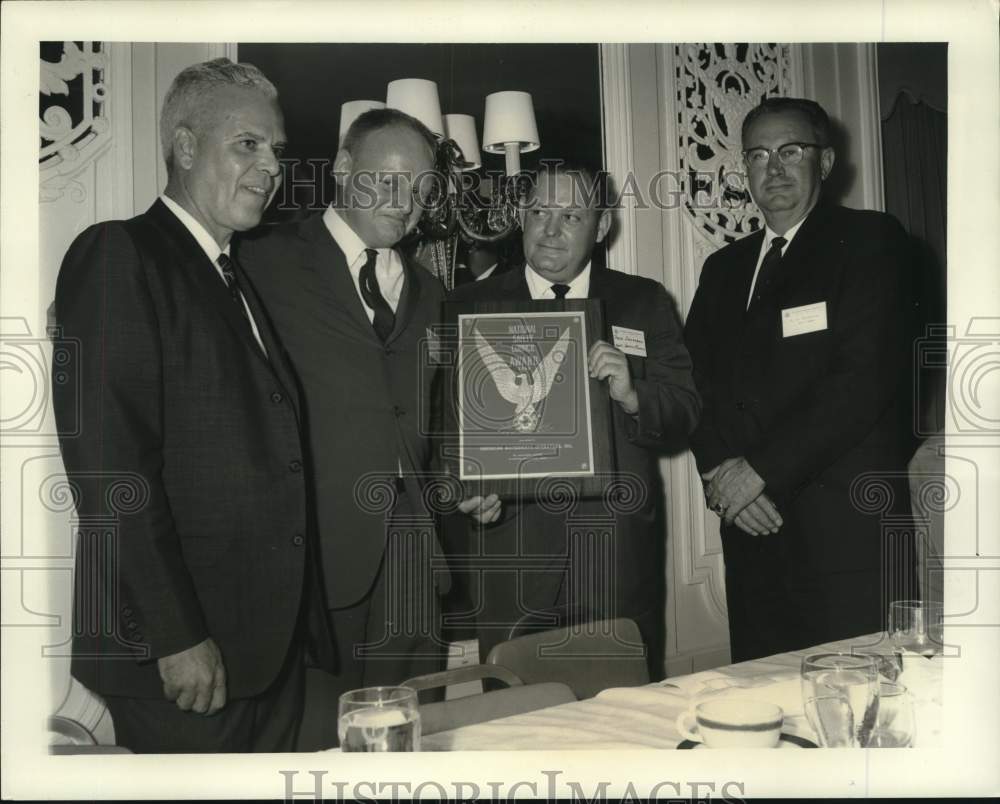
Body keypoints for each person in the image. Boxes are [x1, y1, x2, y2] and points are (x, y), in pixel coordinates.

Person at [51, 58, 331, 752]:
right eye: (247, 144)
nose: (271, 167)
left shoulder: (233, 271)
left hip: (263, 653)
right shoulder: (118, 252)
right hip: (182, 659)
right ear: (183, 147)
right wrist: (175, 636)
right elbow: (111, 471)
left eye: (276, 149)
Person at [239, 108, 499, 750]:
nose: (404, 203)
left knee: (408, 748)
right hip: (311, 568)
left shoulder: (430, 290)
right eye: (387, 180)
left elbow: (428, 424)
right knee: (313, 757)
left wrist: (466, 478)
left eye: (420, 189)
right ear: (343, 168)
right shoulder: (260, 259)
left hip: (414, 570)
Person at [684, 96, 917, 662]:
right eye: (758, 155)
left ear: (826, 162)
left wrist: (759, 474)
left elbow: (861, 381)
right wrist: (722, 476)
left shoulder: (872, 240)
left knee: (860, 699)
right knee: (763, 702)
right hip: (750, 533)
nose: (774, 168)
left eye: (791, 151)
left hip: (845, 537)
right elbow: (691, 383)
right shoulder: (723, 268)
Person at [448, 162, 701, 678]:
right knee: (519, 710)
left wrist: (634, 393)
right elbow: (439, 425)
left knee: (622, 707)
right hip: (511, 550)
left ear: (601, 226)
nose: (551, 229)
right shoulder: (466, 304)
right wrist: (462, 485)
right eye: (539, 211)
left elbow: (686, 411)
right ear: (521, 217)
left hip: (615, 553)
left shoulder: (643, 300)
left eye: (571, 216)